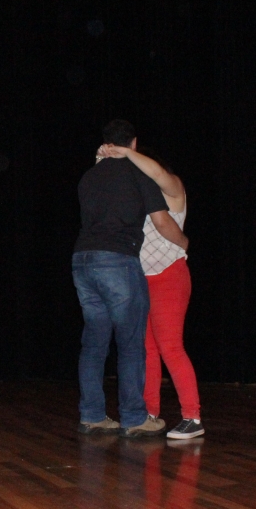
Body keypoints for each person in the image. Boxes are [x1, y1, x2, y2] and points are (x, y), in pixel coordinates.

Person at [72, 119, 188, 438]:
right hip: (118, 260)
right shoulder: (138, 173)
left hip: (82, 261)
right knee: (132, 344)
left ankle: (92, 416)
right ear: (133, 143)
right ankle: (135, 418)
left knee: (93, 343)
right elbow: (161, 222)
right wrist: (185, 242)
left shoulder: (89, 176)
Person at [98, 143, 203, 439]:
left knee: (171, 346)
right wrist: (102, 159)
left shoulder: (173, 188)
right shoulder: (143, 201)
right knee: (148, 351)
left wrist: (128, 153)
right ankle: (150, 413)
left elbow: (156, 173)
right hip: (143, 281)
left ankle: (193, 417)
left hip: (170, 276)